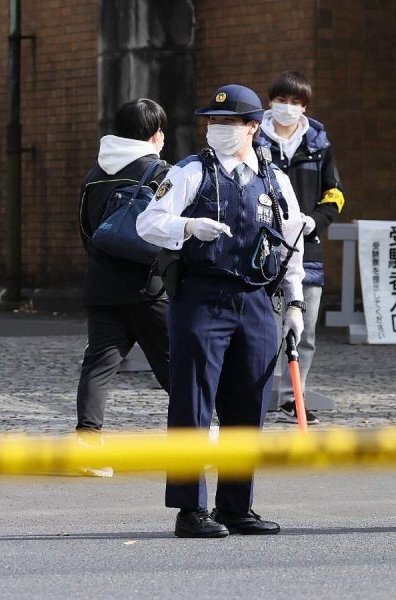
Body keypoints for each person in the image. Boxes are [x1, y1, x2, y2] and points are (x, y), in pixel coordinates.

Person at [136, 84, 305, 538]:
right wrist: (188, 225)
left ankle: (236, 506)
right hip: (202, 297)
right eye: (213, 122)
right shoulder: (193, 170)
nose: (218, 129)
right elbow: (148, 222)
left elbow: (292, 237)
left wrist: (295, 300)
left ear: (253, 127)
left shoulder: (273, 177)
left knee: (248, 400)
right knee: (193, 401)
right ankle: (190, 509)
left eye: (229, 123)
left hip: (255, 299)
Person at [75, 99, 171, 476]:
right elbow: (171, 229)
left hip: (100, 284)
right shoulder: (160, 170)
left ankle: (88, 443)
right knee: (173, 363)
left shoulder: (95, 172)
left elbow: (86, 228)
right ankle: (196, 439)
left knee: (98, 365)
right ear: (154, 134)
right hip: (148, 285)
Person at [258, 71, 345, 426]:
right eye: (283, 101)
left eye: (296, 103)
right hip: (261, 247)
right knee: (261, 328)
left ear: (305, 106)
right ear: (270, 102)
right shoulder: (253, 138)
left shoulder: (318, 143)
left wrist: (315, 221)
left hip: (306, 247)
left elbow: (335, 193)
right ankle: (257, 397)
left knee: (304, 330)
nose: (288, 108)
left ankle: (294, 398)